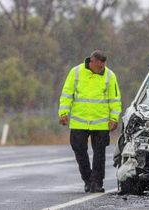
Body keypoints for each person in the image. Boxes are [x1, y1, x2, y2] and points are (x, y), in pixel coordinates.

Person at [58, 50, 122, 193]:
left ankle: (97, 183)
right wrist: (63, 113)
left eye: (104, 66)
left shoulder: (110, 76)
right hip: (79, 122)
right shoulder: (75, 72)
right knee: (79, 151)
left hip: (100, 123)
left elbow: (115, 99)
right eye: (99, 67)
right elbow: (67, 94)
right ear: (91, 62)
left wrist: (114, 118)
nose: (102, 69)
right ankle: (88, 179)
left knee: (99, 154)